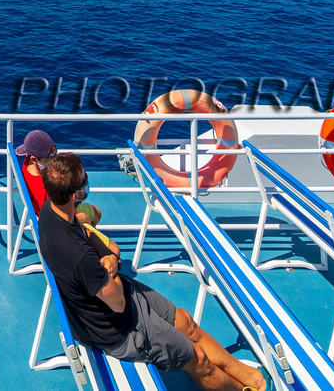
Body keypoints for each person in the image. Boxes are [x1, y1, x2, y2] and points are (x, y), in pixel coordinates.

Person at [35, 153, 265, 391]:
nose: (87, 184)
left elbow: (84, 230)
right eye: (84, 182)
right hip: (118, 329)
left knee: (185, 321)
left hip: (115, 299)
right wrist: (111, 260)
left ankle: (250, 376)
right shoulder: (78, 255)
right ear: (75, 195)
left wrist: (108, 256)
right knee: (198, 358)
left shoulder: (51, 210)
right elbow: (118, 303)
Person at [17, 130, 56, 212]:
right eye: (49, 159)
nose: (53, 161)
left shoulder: (27, 162)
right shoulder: (43, 191)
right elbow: (58, 218)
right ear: (34, 159)